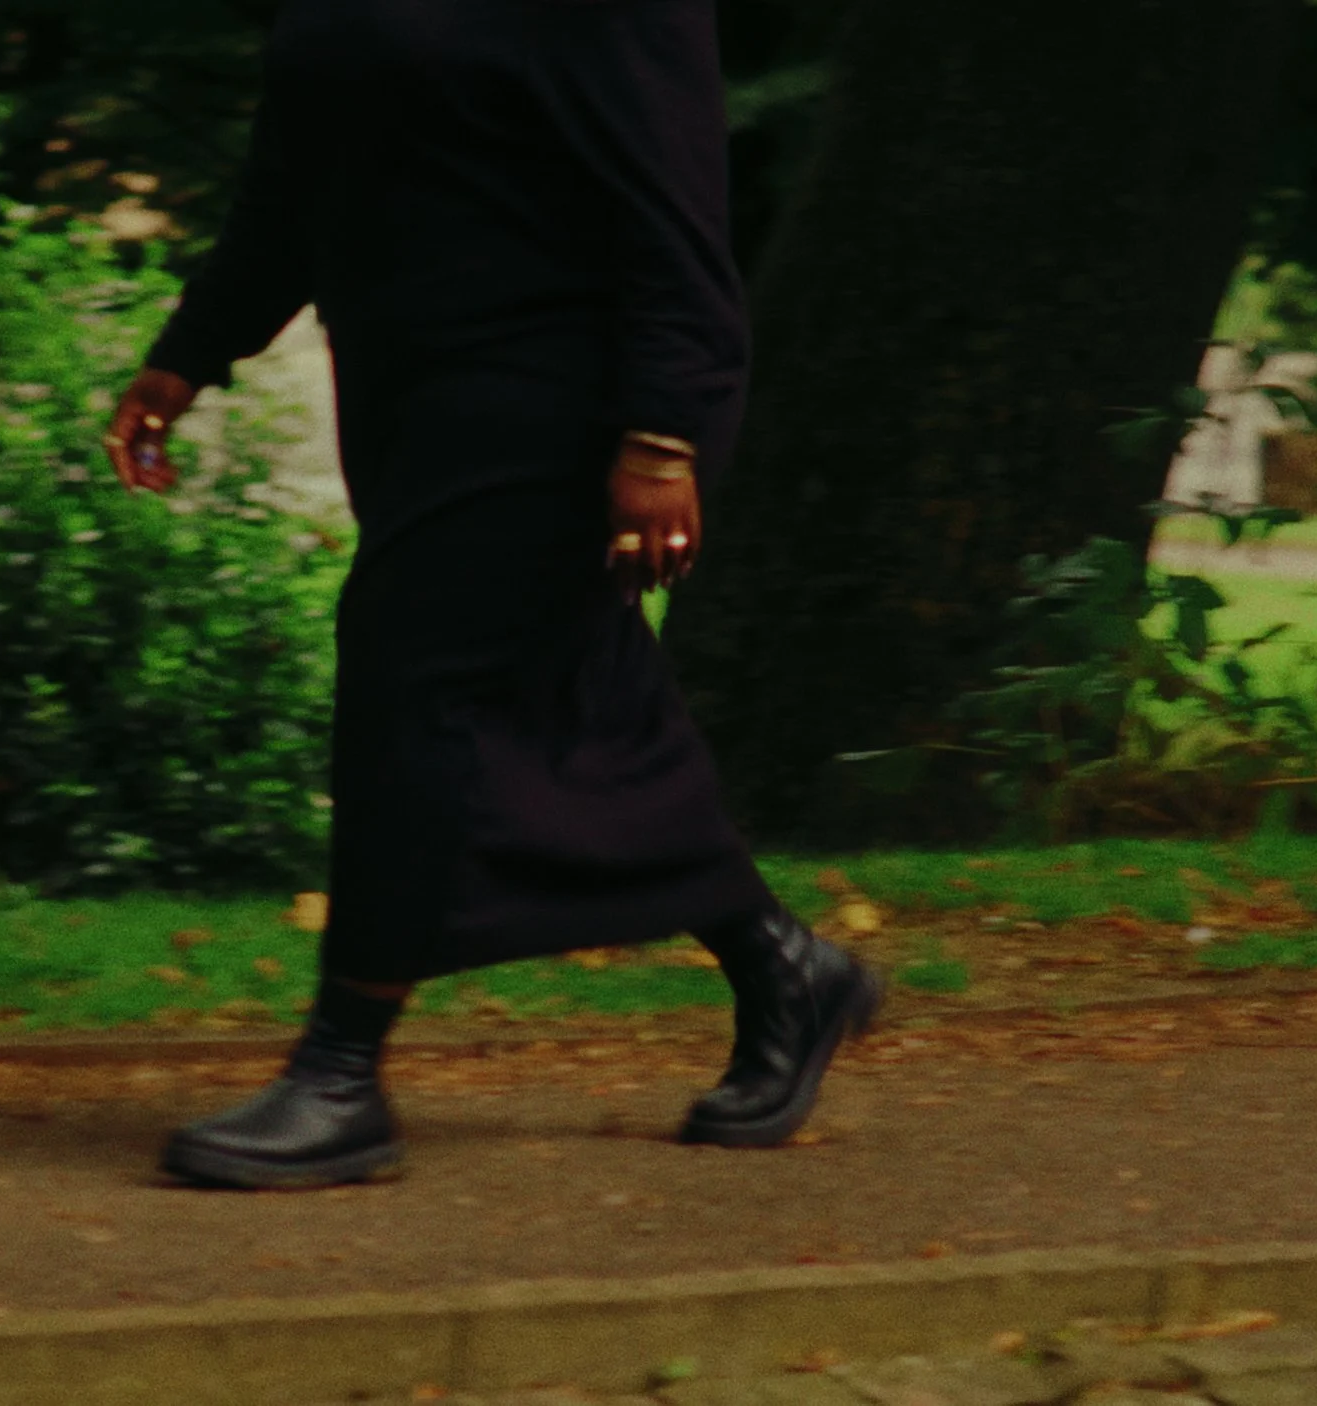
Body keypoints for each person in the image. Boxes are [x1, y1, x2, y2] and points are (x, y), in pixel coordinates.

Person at [101, 0, 879, 1191]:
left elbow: (673, 204)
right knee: (577, 695)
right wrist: (189, 350)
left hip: (570, 394)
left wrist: (663, 432)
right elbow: (298, 175)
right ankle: (786, 968)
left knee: (412, 677)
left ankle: (341, 1073)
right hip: (418, 396)